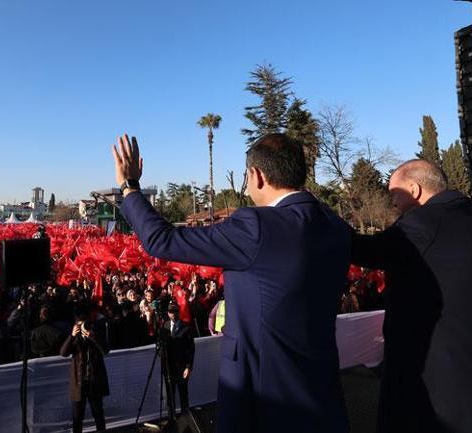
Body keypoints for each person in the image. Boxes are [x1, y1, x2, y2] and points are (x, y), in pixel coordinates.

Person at [112, 133, 350, 433]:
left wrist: (130, 188)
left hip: (264, 402)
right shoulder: (334, 225)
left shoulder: (257, 226)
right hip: (323, 396)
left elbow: (162, 240)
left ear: (257, 175)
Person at [351, 159, 472, 433]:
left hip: (440, 382)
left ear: (414, 189)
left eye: (394, 193)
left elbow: (362, 250)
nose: (393, 203)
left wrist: (311, 212)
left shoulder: (422, 224)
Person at [60, 306, 110, 433]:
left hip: (94, 381)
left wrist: (93, 337)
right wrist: (72, 336)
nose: (83, 328)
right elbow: (63, 353)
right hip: (79, 382)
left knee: (98, 414)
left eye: (85, 324)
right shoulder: (75, 337)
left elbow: (105, 350)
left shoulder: (95, 333)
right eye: (80, 325)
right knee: (77, 417)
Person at [160, 303, 195, 420]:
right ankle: (171, 419)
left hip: (182, 368)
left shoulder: (187, 328)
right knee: (170, 396)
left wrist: (188, 367)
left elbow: (191, 350)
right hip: (168, 368)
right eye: (171, 312)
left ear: (178, 312)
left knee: (183, 395)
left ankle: (186, 420)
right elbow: (160, 347)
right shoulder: (164, 326)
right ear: (168, 313)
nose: (173, 314)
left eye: (175, 311)